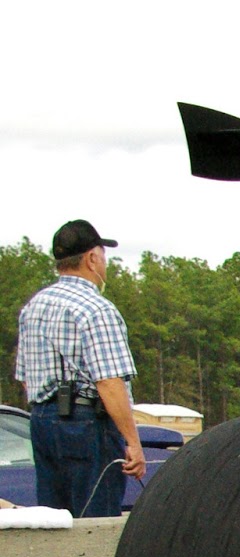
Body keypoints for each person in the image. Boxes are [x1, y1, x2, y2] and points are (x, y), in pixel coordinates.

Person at [13, 220, 145, 516]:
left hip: (42, 421)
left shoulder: (33, 307)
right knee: (94, 521)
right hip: (87, 424)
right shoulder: (96, 309)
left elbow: (25, 380)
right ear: (92, 258)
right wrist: (133, 443)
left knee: (54, 520)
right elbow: (110, 383)